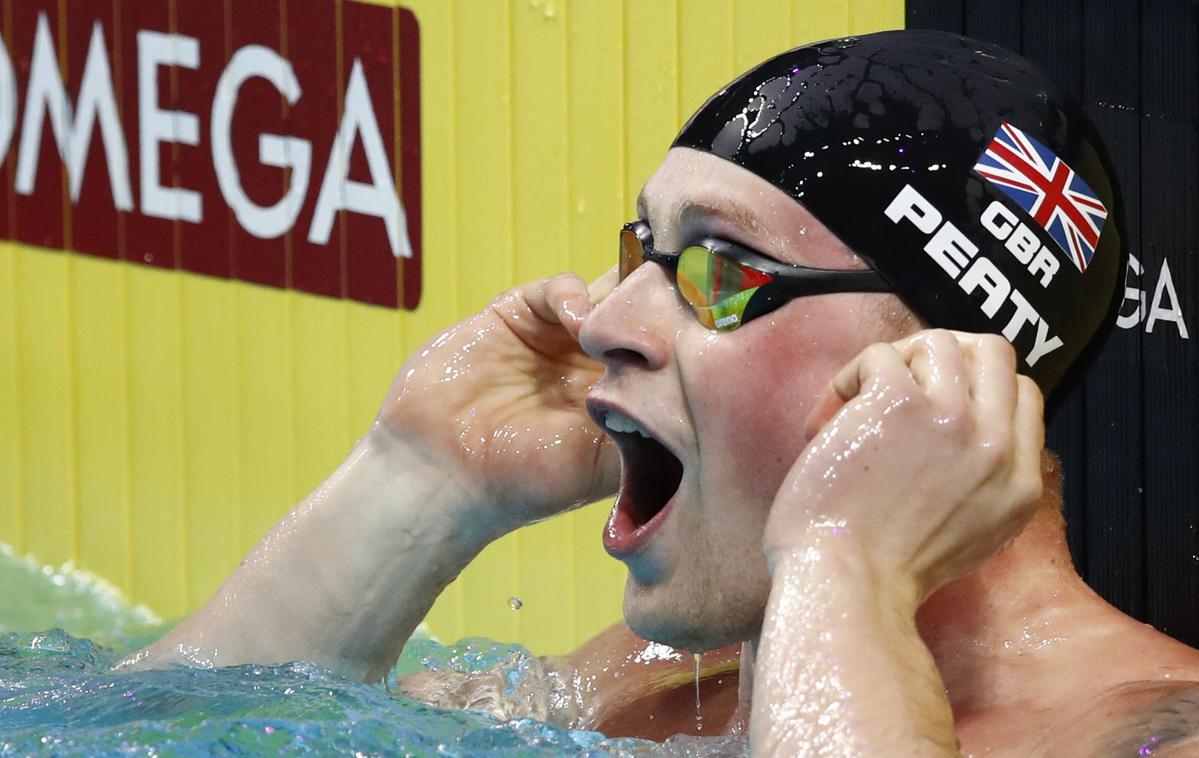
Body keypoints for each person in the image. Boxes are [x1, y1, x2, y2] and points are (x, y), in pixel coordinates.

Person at [120, 30, 1199, 754]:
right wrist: (415, 485)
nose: (601, 322)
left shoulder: (1151, 730)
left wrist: (846, 568)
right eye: (645, 247)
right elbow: (188, 732)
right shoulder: (651, 686)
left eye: (718, 272)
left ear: (941, 364)